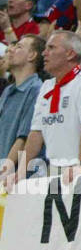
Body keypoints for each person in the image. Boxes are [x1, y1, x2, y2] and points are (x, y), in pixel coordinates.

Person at [22, 31, 81, 177]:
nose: (44, 53)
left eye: (51, 48)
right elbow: (36, 133)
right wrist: (21, 170)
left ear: (70, 54)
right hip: (54, 167)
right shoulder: (47, 86)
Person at [0, 35, 44, 179]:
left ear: (32, 55)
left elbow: (23, 138)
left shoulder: (37, 90)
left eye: (18, 47)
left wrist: (4, 171)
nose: (10, 50)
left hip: (18, 179)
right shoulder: (8, 91)